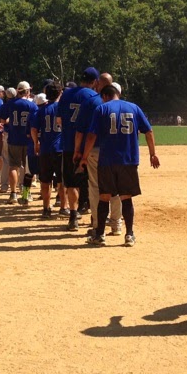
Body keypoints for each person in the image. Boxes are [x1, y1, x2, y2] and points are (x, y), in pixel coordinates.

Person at [80, 82, 160, 246]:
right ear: (118, 94)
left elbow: (91, 136)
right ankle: (129, 235)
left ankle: (99, 235)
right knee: (126, 197)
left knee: (104, 197)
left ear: (105, 96)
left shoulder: (101, 109)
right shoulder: (133, 107)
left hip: (107, 160)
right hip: (128, 160)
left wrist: (84, 156)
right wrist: (153, 154)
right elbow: (148, 131)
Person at [77, 73, 122, 235]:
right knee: (116, 187)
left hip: (96, 150)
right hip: (117, 151)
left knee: (95, 187)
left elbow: (86, 133)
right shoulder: (123, 105)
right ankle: (116, 224)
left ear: (97, 84)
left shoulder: (92, 102)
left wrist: (81, 154)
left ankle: (97, 225)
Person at [59, 67, 100, 231]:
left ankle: (73, 217)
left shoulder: (66, 94)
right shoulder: (94, 97)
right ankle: (94, 218)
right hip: (91, 146)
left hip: (69, 144)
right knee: (92, 183)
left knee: (71, 183)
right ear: (95, 81)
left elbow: (59, 120)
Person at [0, 81, 37, 204]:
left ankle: (13, 194)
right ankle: (25, 194)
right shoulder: (32, 105)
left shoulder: (11, 103)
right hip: (28, 141)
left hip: (14, 139)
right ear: (28, 91)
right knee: (27, 169)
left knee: (13, 166)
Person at [31, 82, 63, 219]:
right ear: (60, 93)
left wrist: (36, 143)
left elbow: (34, 129)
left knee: (45, 180)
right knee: (62, 180)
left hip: (45, 149)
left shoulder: (41, 110)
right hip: (60, 148)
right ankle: (63, 207)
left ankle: (46, 208)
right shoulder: (62, 108)